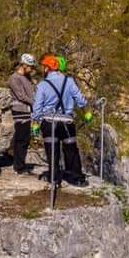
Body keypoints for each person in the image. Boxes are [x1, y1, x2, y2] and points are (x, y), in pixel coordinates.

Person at [31, 55, 93, 187]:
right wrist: (87, 113)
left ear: (48, 68)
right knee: (71, 150)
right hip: (67, 122)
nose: (42, 69)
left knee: (52, 151)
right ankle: (77, 178)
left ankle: (54, 179)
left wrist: (35, 123)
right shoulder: (69, 81)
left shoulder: (43, 85)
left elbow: (37, 107)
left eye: (44, 66)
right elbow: (81, 100)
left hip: (49, 122)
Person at [8, 54, 36, 175]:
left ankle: (21, 163)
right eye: (30, 67)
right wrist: (35, 102)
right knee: (21, 137)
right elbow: (21, 95)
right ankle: (18, 166)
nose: (31, 69)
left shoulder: (27, 78)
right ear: (24, 65)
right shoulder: (14, 78)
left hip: (27, 109)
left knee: (25, 137)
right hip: (19, 109)